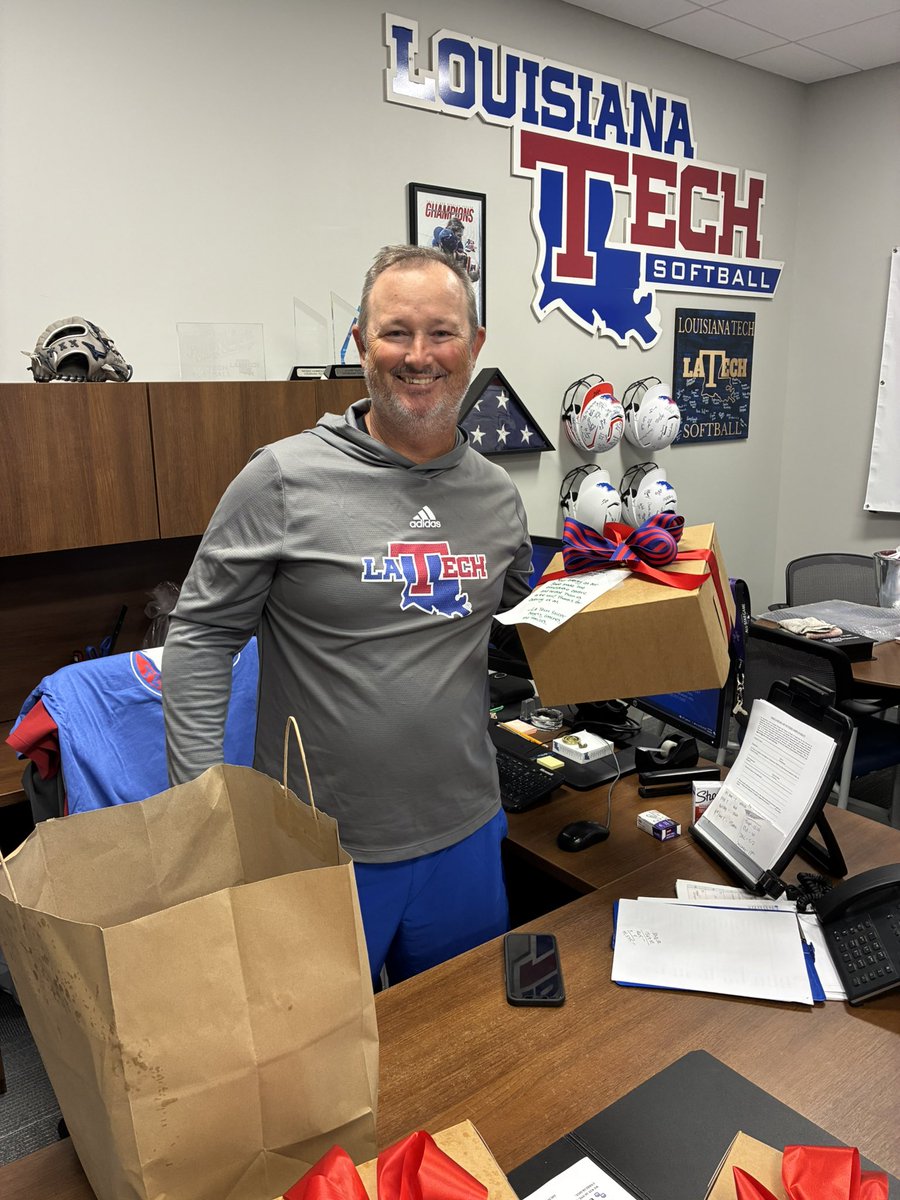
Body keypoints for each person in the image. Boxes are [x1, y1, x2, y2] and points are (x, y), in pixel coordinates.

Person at [163, 245, 532, 986]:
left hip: (463, 831)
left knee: (462, 1057)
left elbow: (533, 625)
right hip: (320, 850)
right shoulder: (281, 478)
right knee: (319, 1077)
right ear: (361, 345)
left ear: (476, 347)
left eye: (442, 333)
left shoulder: (497, 497)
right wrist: (200, 811)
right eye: (395, 332)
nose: (419, 355)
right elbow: (201, 638)